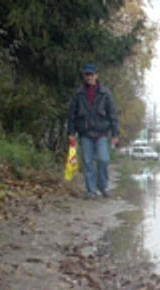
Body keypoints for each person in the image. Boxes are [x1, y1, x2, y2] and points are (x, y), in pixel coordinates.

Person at [67, 64, 120, 199]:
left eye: (91, 74)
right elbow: (72, 115)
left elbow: (113, 115)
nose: (89, 77)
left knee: (103, 160)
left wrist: (115, 134)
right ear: (84, 76)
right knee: (88, 163)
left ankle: (103, 186)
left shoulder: (105, 93)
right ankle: (91, 191)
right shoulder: (79, 94)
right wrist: (71, 133)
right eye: (87, 75)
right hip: (85, 134)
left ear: (97, 75)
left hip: (101, 134)